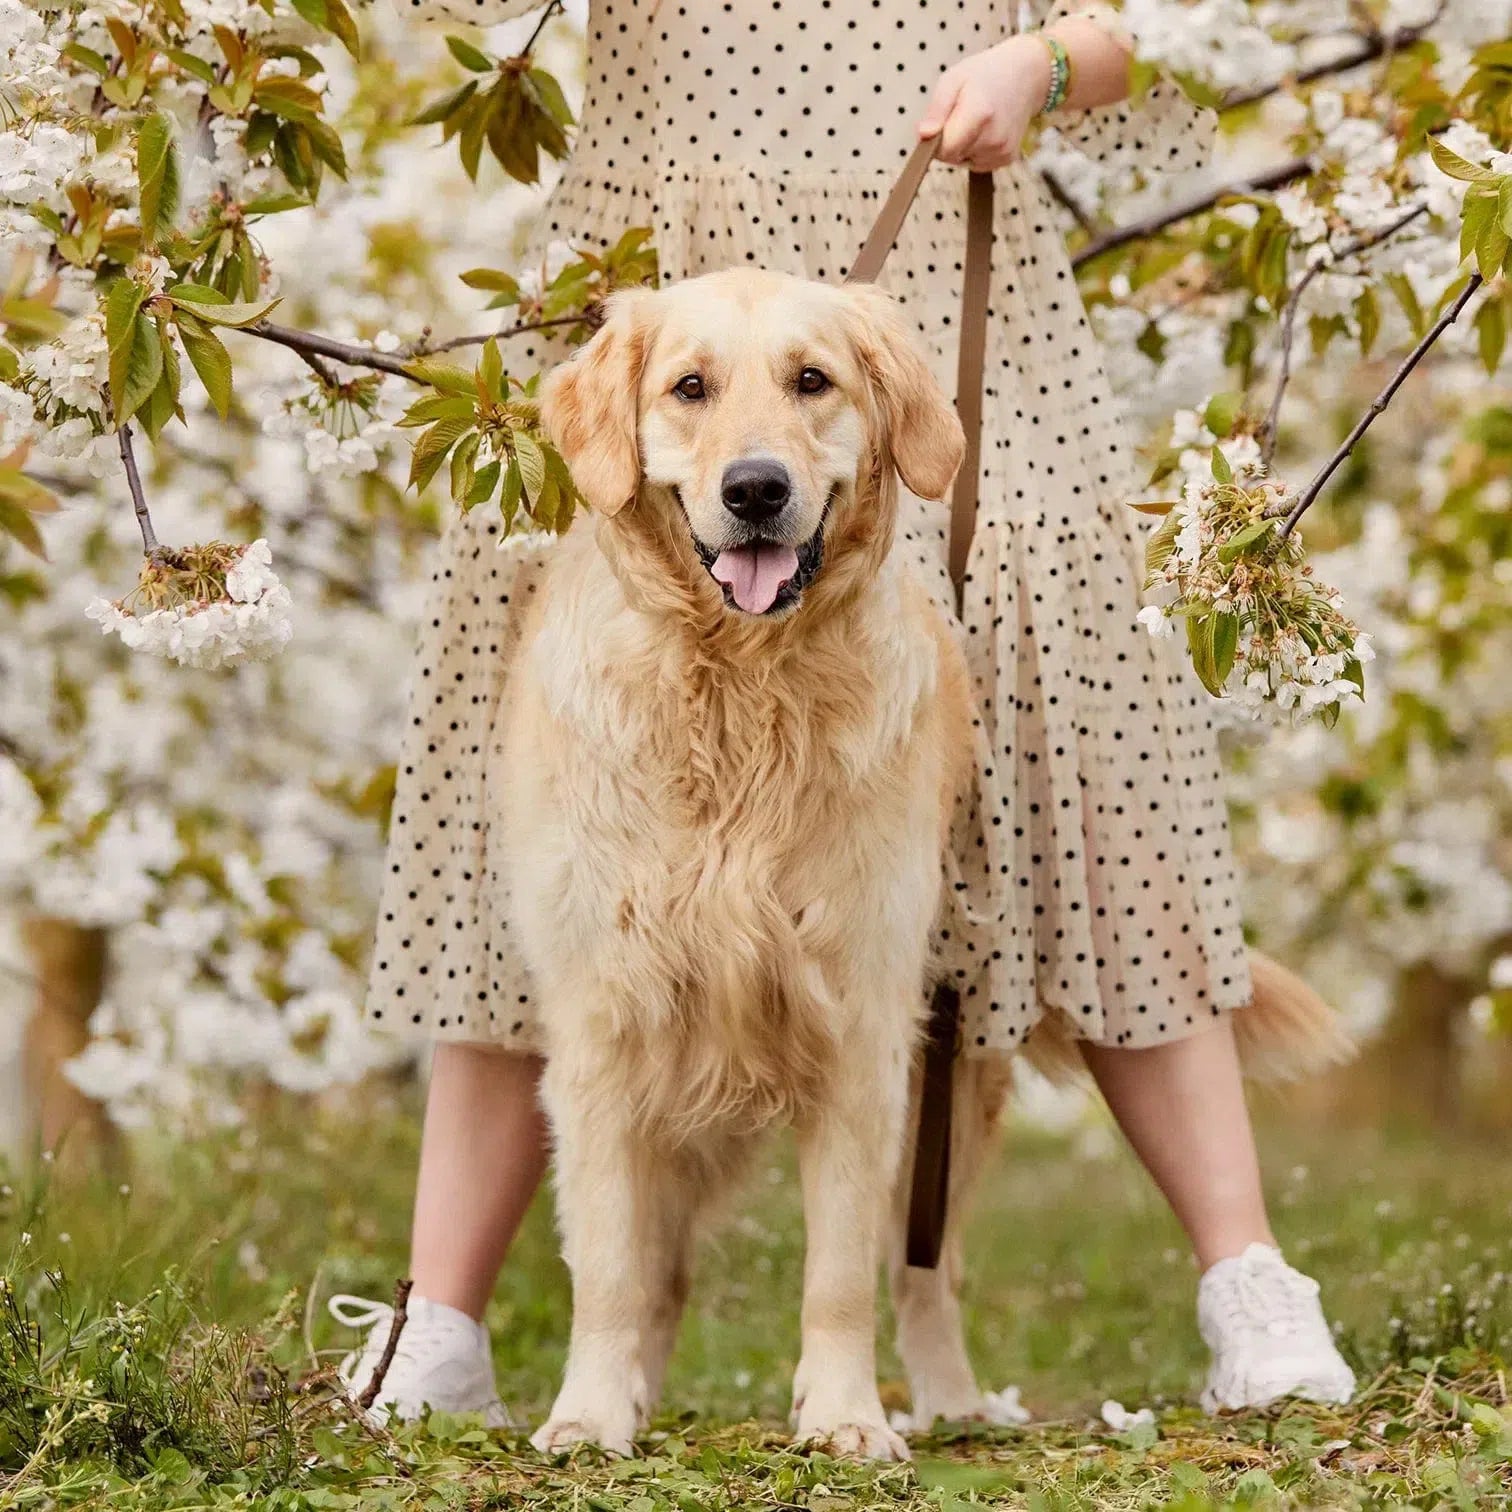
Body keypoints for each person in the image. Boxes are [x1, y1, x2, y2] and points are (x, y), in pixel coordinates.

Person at [334, 0, 1357, 1427]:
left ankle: (1249, 1286)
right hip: (652, 279)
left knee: (1091, 762)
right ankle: (442, 1321)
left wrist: (1043, 63)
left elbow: (1191, 27)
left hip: (950, 279)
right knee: (545, 807)